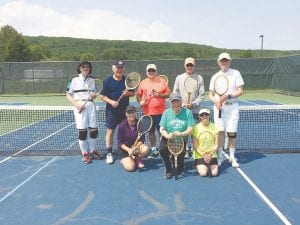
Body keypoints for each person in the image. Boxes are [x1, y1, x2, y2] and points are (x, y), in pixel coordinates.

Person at [209, 52, 244, 168]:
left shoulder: (236, 73)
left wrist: (229, 96)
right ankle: (220, 156)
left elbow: (240, 91)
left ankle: (232, 157)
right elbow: (210, 94)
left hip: (232, 107)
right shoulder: (215, 76)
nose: (224, 62)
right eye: (222, 60)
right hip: (219, 108)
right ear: (218, 62)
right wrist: (217, 102)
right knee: (220, 133)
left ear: (229, 61)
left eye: (226, 60)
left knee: (232, 133)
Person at [100, 60, 135, 164]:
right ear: (113, 69)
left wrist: (127, 93)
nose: (120, 70)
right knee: (110, 132)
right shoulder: (107, 81)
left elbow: (133, 93)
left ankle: (124, 151)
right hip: (112, 112)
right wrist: (111, 102)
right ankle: (109, 153)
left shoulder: (127, 80)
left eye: (121, 68)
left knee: (124, 132)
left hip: (125, 112)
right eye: (117, 68)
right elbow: (102, 96)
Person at [66, 61, 102, 164]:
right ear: (80, 68)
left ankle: (93, 150)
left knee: (94, 130)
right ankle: (85, 154)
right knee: (83, 131)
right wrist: (77, 105)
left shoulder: (92, 80)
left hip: (91, 106)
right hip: (79, 106)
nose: (86, 68)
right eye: (83, 67)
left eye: (87, 67)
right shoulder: (73, 80)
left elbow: (94, 93)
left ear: (90, 69)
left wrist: (93, 96)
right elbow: (68, 95)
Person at [173, 57, 205, 159]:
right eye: (188, 65)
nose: (189, 67)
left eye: (191, 65)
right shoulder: (179, 78)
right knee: (184, 131)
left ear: (194, 66)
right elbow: (175, 93)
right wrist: (181, 104)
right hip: (182, 111)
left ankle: (196, 150)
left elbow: (202, 95)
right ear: (184, 65)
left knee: (194, 132)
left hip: (195, 111)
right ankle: (186, 149)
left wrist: (193, 104)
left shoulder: (199, 78)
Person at [137, 64, 170, 159]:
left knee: (161, 132)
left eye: (153, 71)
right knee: (151, 132)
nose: (151, 72)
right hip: (148, 113)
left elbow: (168, 94)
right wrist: (141, 101)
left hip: (161, 113)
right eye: (149, 71)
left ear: (156, 71)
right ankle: (154, 149)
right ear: (147, 72)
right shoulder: (143, 83)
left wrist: (158, 94)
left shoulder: (162, 82)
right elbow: (138, 95)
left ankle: (163, 149)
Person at [159, 93, 195, 179]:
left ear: (181, 101)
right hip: (168, 138)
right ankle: (168, 168)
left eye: (177, 101)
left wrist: (182, 134)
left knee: (179, 168)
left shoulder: (188, 112)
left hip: (181, 139)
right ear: (170, 103)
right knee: (162, 149)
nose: (176, 104)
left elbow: (190, 129)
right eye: (173, 102)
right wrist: (167, 135)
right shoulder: (166, 112)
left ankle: (177, 162)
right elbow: (161, 129)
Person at [117, 105, 150, 171]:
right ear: (126, 114)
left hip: (136, 148)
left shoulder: (140, 123)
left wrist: (136, 147)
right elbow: (120, 143)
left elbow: (142, 139)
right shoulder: (121, 126)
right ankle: (125, 159)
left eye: (133, 112)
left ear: (135, 113)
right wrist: (129, 150)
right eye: (129, 113)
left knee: (145, 149)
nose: (131, 114)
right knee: (130, 168)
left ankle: (137, 158)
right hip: (125, 150)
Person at [192, 108, 219, 177]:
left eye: (206, 114)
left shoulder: (215, 127)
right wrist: (203, 155)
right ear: (199, 116)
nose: (204, 116)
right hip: (200, 154)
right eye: (202, 115)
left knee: (214, 173)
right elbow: (195, 146)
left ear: (209, 115)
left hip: (212, 154)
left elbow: (216, 145)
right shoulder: (195, 128)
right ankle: (198, 165)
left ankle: (206, 165)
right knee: (203, 173)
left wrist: (210, 154)